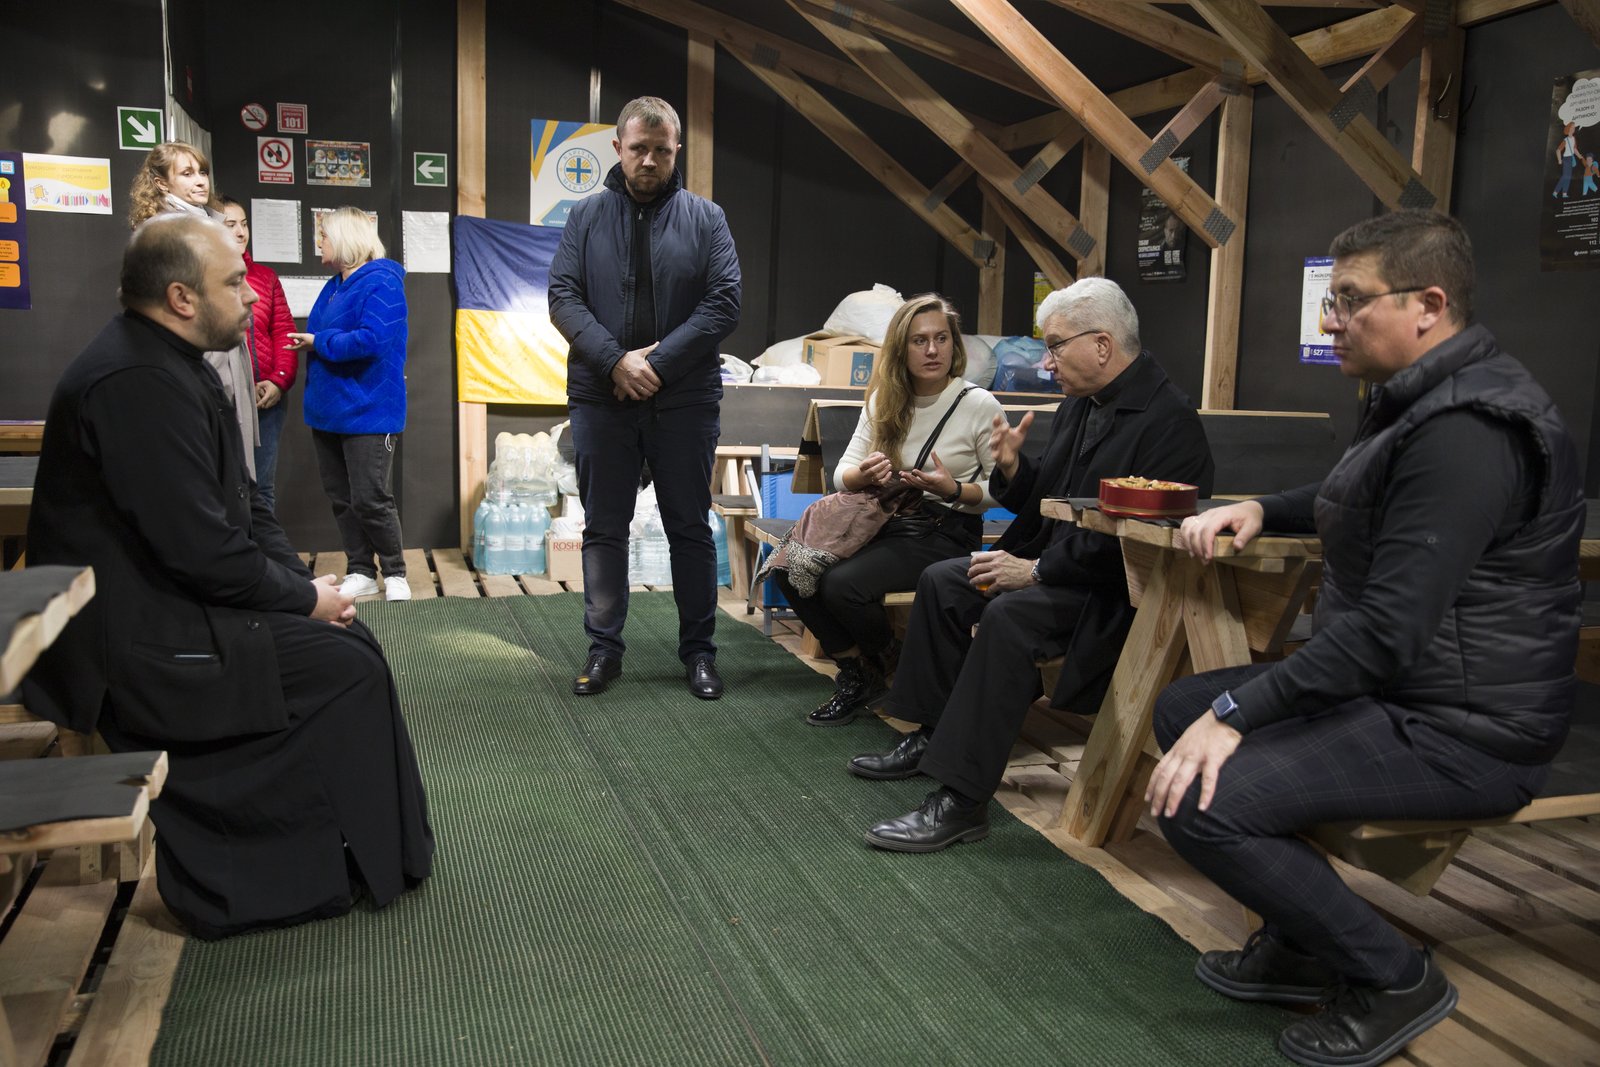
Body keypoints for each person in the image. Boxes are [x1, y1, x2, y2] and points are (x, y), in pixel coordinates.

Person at [1145, 210, 1582, 1067]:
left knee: (1201, 796)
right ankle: (1301, 939)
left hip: (1465, 731)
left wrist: (1240, 711)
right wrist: (1264, 507)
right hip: (1408, 695)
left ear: (1428, 302)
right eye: (1330, 297)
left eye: (1348, 299)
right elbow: (1360, 491)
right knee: (1181, 708)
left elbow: (1387, 634)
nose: (1329, 320)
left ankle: (1393, 975)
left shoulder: (1470, 430)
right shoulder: (1423, 400)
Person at [22, 212, 433, 939]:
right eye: (236, 280)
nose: (254, 296)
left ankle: (365, 855)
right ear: (182, 298)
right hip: (139, 643)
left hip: (176, 601)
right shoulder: (134, 382)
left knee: (354, 651)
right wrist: (303, 596)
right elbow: (199, 548)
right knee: (347, 670)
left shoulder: (173, 365)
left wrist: (307, 591)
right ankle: (298, 873)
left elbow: (249, 506)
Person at [850, 277, 1214, 852]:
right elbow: (1047, 499)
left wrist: (1038, 571)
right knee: (944, 580)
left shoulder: (1170, 423)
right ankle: (931, 732)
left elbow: (1137, 543)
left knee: (1010, 618)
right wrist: (1016, 469)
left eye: (1055, 345)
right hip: (1060, 563)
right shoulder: (1080, 403)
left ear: (1101, 344)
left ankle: (962, 800)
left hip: (1113, 587)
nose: (1046, 362)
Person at [548, 95, 741, 700]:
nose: (650, 160)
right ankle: (604, 650)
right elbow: (562, 296)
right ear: (618, 149)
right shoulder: (583, 218)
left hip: (683, 399)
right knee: (605, 527)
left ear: (676, 150)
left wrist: (652, 364)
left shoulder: (707, 219)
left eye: (661, 150)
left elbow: (723, 303)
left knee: (688, 526)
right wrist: (614, 361)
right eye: (639, 148)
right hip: (602, 398)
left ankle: (700, 654)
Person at [774, 294, 1002, 726]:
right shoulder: (884, 400)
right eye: (919, 341)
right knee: (789, 567)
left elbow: (1003, 492)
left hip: (944, 531)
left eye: (940, 339)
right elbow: (842, 475)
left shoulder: (978, 404)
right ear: (901, 349)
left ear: (954, 345)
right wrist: (864, 474)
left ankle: (884, 661)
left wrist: (954, 489)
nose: (932, 350)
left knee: (841, 585)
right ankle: (860, 671)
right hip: (884, 524)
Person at [288, 206, 411, 602]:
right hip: (328, 411)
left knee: (371, 498)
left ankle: (394, 573)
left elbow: (370, 341)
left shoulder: (383, 283)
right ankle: (361, 570)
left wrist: (316, 342)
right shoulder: (334, 284)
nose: (319, 242)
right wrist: (317, 340)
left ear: (344, 240)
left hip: (370, 411)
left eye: (324, 236)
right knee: (342, 499)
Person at [128, 141, 259, 478]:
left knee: (234, 467)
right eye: (187, 173)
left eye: (202, 172)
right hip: (194, 355)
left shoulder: (209, 222)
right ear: (161, 183)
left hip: (224, 356)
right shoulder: (166, 230)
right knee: (206, 462)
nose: (201, 181)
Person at [219, 196, 296, 512]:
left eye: (244, 224)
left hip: (265, 401)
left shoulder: (265, 278)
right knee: (223, 486)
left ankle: (265, 560)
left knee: (261, 490)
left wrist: (278, 381)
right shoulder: (204, 276)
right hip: (224, 399)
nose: (240, 232)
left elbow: (284, 334)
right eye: (230, 225)